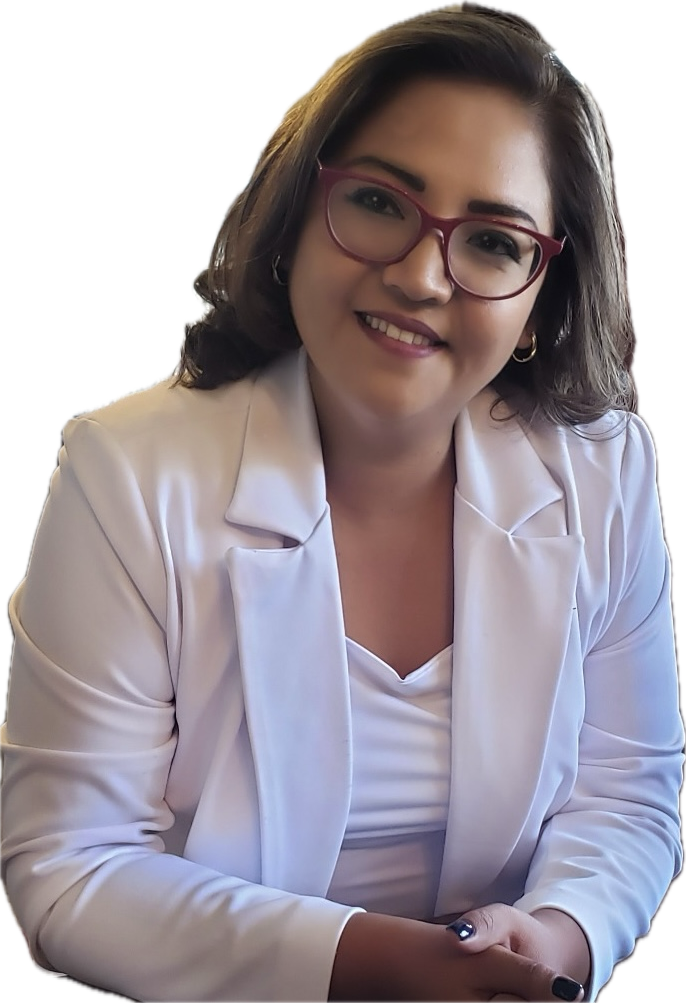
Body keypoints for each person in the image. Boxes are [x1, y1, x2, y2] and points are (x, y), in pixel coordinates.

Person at [0, 4, 682, 1002]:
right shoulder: (125, 471)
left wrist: (555, 938)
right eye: (376, 201)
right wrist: (375, 964)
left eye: (490, 241)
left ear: (543, 295)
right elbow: (67, 870)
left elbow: (626, 801)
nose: (415, 274)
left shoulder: (603, 470)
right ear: (297, 214)